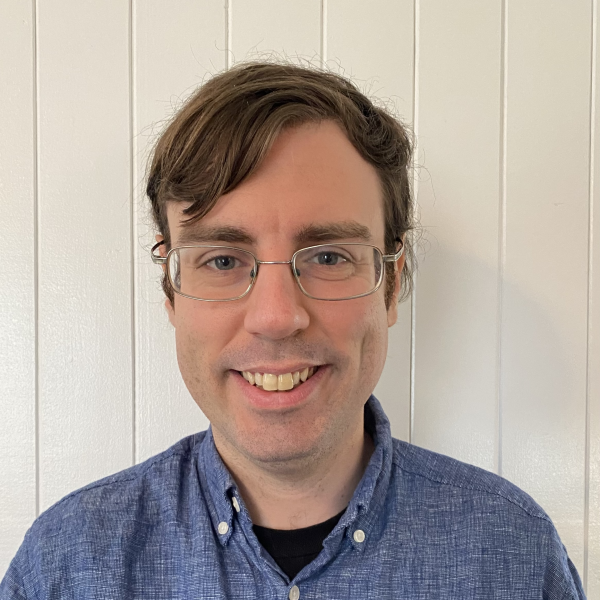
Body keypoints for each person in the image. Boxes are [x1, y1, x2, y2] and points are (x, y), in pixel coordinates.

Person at [0, 62, 586, 599]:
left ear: (390, 284)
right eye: (223, 261)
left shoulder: (512, 555)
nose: (276, 316)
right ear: (170, 293)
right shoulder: (67, 566)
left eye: (329, 257)